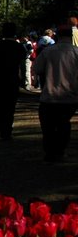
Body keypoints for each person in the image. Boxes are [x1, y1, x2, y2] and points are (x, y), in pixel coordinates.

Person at [32, 21, 78, 162]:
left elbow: (37, 68)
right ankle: (60, 150)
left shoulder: (48, 51)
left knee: (49, 127)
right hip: (69, 96)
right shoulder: (76, 52)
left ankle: (50, 152)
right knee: (63, 123)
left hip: (50, 95)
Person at [0, 23, 28, 139]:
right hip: (12, 78)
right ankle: (6, 130)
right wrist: (22, 78)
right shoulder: (19, 47)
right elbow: (22, 64)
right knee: (10, 106)